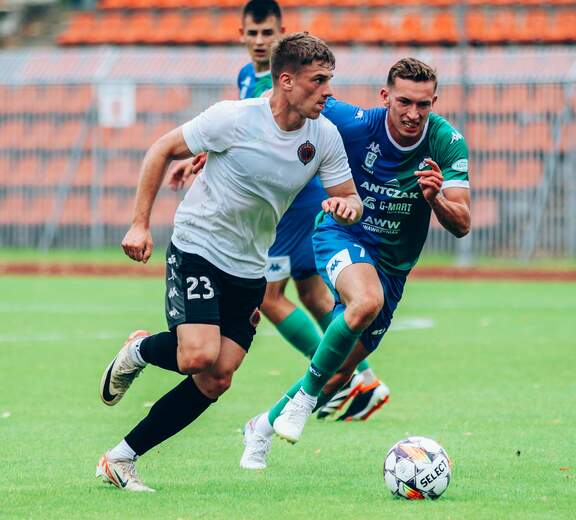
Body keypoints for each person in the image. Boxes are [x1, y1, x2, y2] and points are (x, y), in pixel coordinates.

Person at [95, 32, 363, 492]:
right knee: (197, 355)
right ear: (286, 81)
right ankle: (140, 350)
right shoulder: (233, 118)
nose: (327, 91)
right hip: (198, 247)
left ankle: (120, 459)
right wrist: (140, 224)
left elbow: (349, 197)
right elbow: (161, 149)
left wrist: (347, 208)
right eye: (318, 81)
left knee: (217, 378)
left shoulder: (324, 136)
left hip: (250, 267)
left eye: (329, 80)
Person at [240, 57, 471, 470]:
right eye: (404, 102)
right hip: (342, 234)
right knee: (365, 301)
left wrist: (435, 199)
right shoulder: (355, 123)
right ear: (385, 97)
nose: (413, 113)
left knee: (337, 374)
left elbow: (463, 224)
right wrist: (219, 150)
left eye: (423, 104)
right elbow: (293, 101)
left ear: (434, 102)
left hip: (393, 268)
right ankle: (305, 401)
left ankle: (261, 427)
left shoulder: (446, 141)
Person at [170, 0, 390, 422]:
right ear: (241, 35)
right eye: (252, 34)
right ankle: (361, 377)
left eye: (267, 34)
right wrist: (201, 157)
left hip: (290, 204)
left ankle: (340, 376)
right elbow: (246, 139)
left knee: (270, 298)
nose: (259, 41)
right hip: (291, 199)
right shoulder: (246, 76)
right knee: (311, 294)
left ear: (281, 35)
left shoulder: (285, 83)